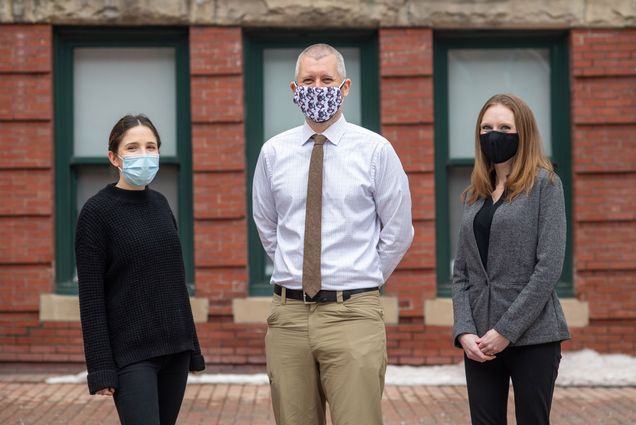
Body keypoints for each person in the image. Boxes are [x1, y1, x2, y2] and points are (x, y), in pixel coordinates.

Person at [252, 43, 414, 425]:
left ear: (345, 88)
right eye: (308, 79)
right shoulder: (274, 153)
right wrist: (296, 269)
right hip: (289, 318)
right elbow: (267, 225)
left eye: (328, 79)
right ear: (294, 90)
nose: (318, 87)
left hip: (353, 315)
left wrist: (362, 277)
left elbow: (398, 230)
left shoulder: (376, 151)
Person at [75, 114, 205, 425]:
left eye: (150, 146)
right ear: (114, 157)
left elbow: (174, 281)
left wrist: (192, 347)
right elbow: (91, 299)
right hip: (132, 356)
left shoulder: (161, 205)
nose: (143, 155)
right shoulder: (96, 213)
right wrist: (100, 367)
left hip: (175, 349)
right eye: (132, 148)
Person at [451, 94, 571, 425]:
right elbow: (461, 273)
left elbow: (548, 269)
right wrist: (464, 331)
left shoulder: (546, 185)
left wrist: (506, 330)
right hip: (479, 340)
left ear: (524, 133)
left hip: (533, 336)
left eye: (505, 127)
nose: (494, 135)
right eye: (487, 127)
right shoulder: (474, 193)